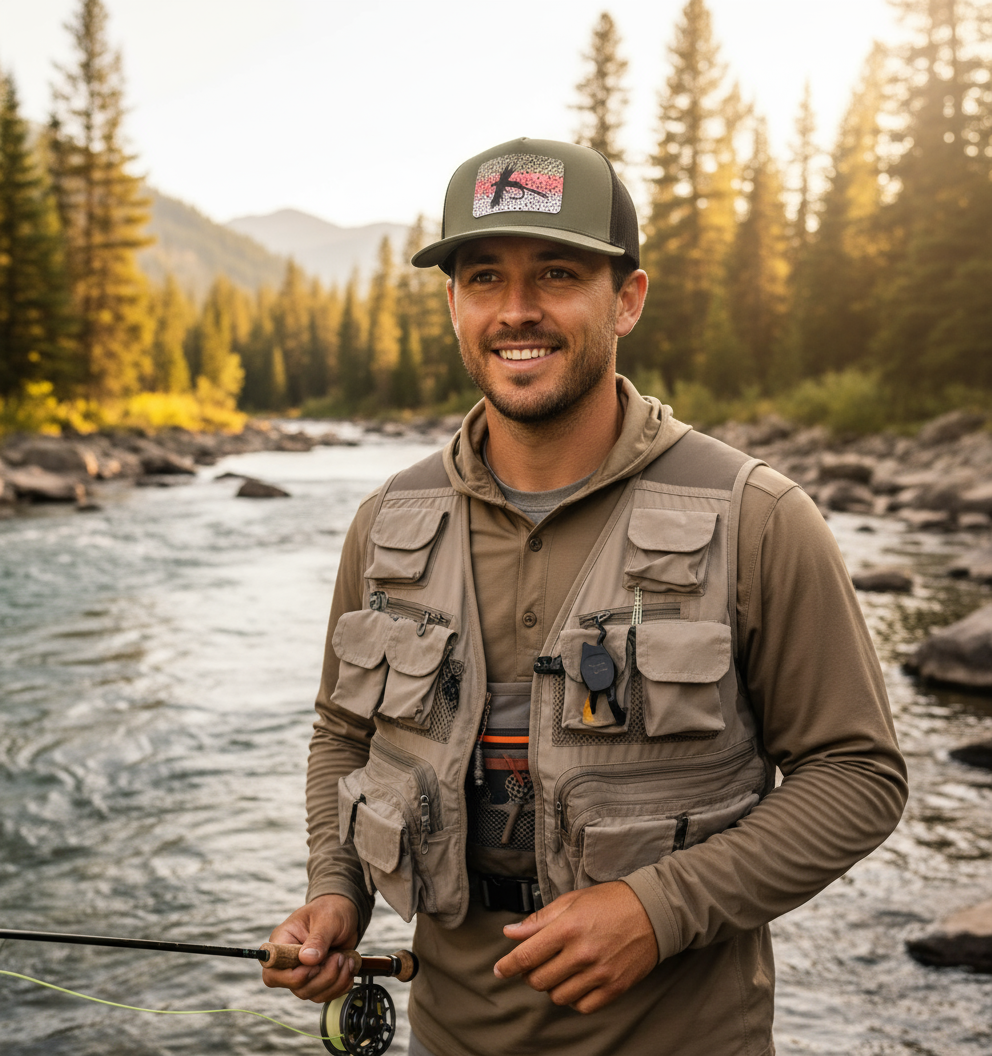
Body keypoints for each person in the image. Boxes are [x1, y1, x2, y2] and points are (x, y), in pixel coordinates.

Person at [263, 137, 907, 1056]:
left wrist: (657, 908)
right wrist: (337, 892)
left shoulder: (758, 517)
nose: (515, 311)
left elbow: (858, 776)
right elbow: (344, 732)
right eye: (483, 278)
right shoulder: (385, 522)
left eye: (556, 273)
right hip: (449, 1033)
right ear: (453, 303)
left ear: (628, 299)